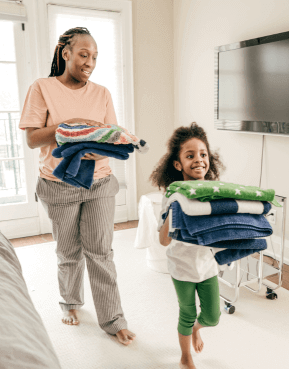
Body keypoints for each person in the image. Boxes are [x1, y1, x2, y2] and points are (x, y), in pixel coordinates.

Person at [19, 27, 135, 346]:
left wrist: (96, 143)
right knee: (69, 251)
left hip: (99, 180)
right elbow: (31, 139)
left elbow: (109, 135)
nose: (90, 62)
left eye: (95, 57)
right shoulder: (42, 88)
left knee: (100, 251)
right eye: (84, 55)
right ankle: (70, 302)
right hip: (58, 183)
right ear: (66, 53)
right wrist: (70, 130)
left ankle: (113, 318)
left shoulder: (102, 93)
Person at [149, 123, 225, 369]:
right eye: (190, 155)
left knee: (212, 317)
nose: (198, 160)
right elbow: (163, 240)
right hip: (181, 266)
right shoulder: (171, 195)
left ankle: (197, 329)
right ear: (178, 164)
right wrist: (176, 205)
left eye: (203, 154)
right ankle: (185, 357)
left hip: (206, 265)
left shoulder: (214, 194)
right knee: (187, 312)